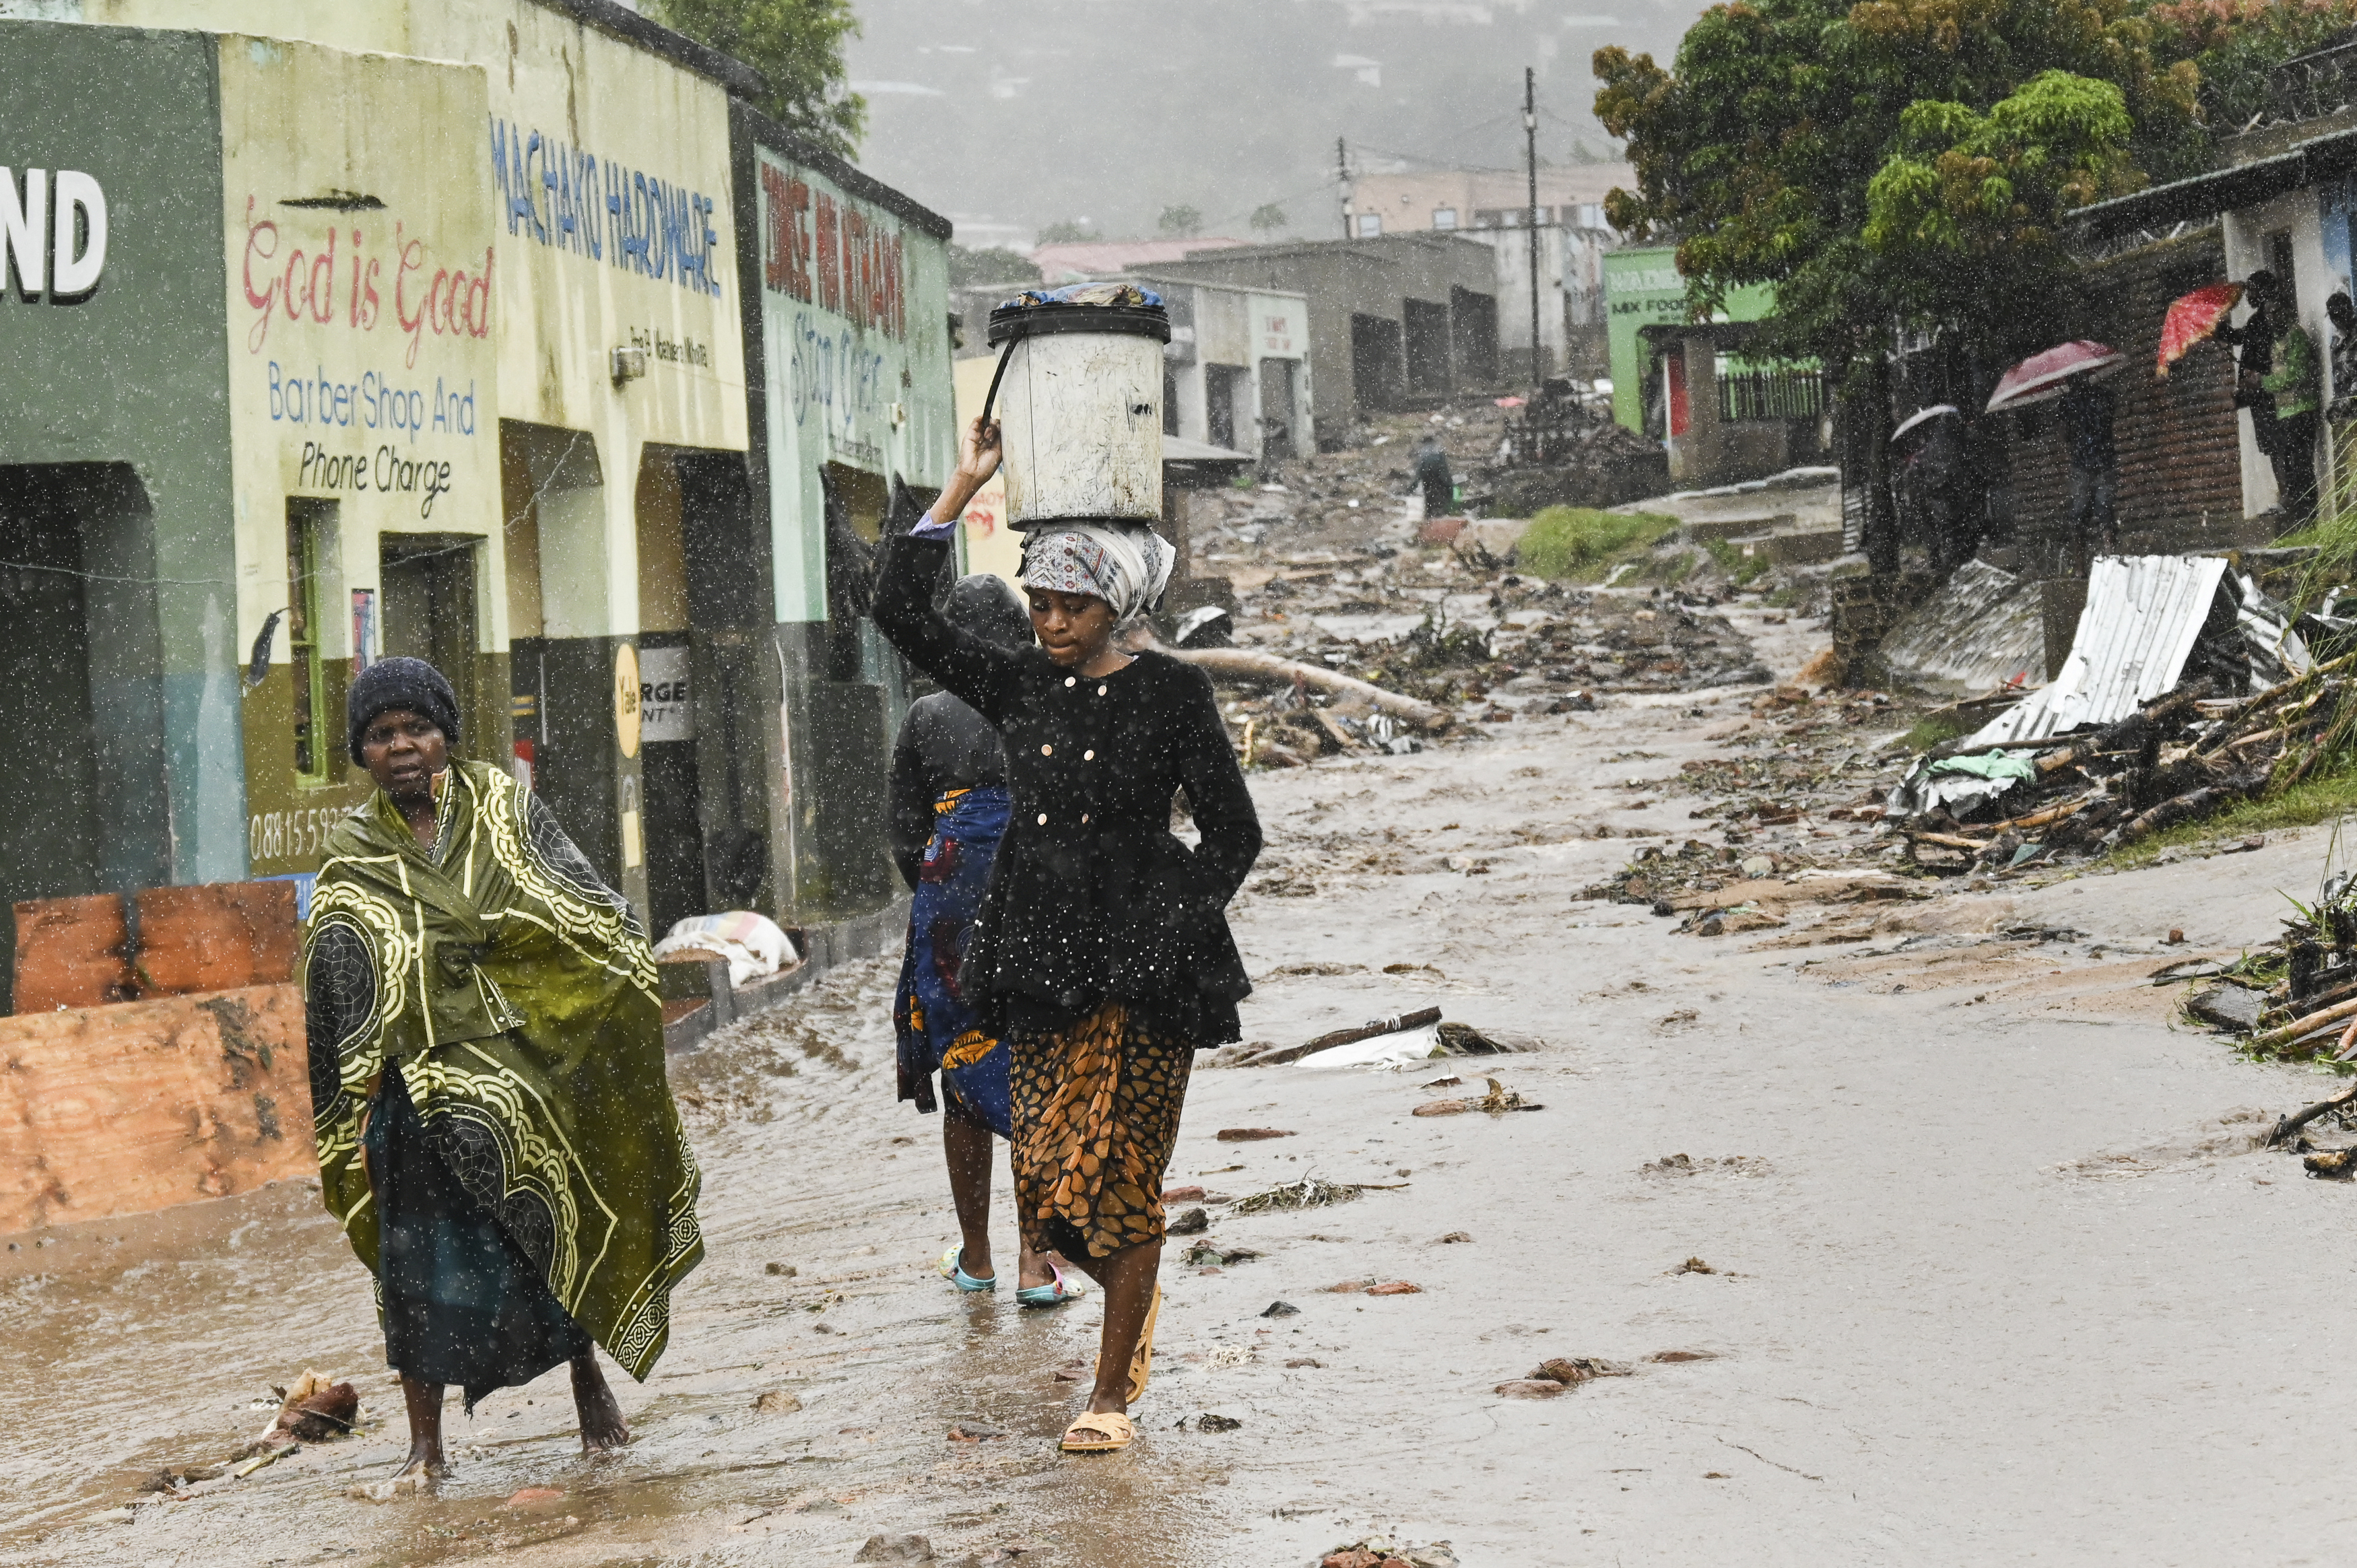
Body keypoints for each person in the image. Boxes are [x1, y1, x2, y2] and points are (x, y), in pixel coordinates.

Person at [873, 417, 1263, 1456]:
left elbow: (1234, 833)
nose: (1049, 621)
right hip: (1036, 966)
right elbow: (897, 608)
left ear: (1116, 606)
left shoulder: (1175, 692)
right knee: (1047, 1191)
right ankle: (1132, 1304)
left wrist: (1170, 934)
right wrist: (960, 487)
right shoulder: (1020, 684)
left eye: (1070, 605)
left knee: (1116, 1175)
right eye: (1039, 602)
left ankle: (1108, 1392)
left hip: (1146, 977)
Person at [303, 656, 704, 1486]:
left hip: (530, 1084)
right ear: (362, 753)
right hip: (413, 1103)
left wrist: (547, 1012)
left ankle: (590, 1387)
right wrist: (364, 1078)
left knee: (550, 1238)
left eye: (417, 727)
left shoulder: (506, 812)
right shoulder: (350, 861)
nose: (403, 746)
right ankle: (425, 1447)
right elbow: (336, 987)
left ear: (446, 733)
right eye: (381, 735)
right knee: (417, 1275)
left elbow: (592, 918)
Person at [890, 572, 1082, 1309]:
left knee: (964, 1070)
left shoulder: (925, 714)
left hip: (950, 905)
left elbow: (904, 833)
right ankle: (1039, 1262)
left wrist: (946, 895)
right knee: (1039, 1061)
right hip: (1040, 890)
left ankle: (977, 1258)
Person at [2057, 373, 2119, 558]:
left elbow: (2064, 435)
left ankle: (2079, 567)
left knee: (2078, 515)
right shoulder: (2104, 395)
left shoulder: (2067, 402)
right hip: (2106, 461)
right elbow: (2109, 419)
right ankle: (2110, 557)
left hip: (2081, 464)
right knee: (2105, 511)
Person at [1413, 433, 1454, 519]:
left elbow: (1419, 472)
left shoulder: (1423, 453)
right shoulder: (1438, 451)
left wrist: (1413, 486)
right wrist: (1450, 486)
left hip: (1428, 481)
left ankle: (1430, 519)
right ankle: (1440, 518)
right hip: (1440, 481)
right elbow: (1444, 471)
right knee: (1441, 504)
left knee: (1430, 503)